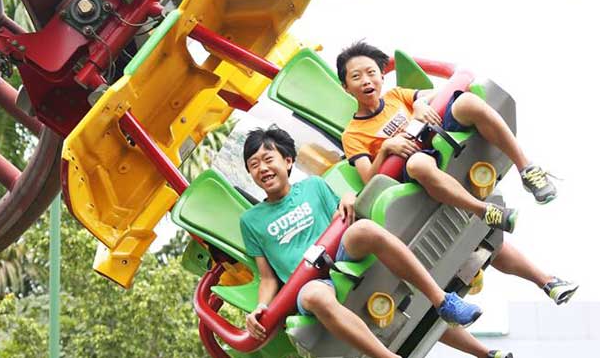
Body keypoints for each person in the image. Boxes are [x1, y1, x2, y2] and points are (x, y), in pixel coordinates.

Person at [337, 40, 577, 306]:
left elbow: (433, 97)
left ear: (382, 76)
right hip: (413, 173)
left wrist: (419, 106)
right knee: (424, 171)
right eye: (356, 77)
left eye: (371, 73)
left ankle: (528, 169)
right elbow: (369, 178)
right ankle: (485, 212)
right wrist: (385, 149)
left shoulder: (397, 97)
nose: (366, 80)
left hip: (442, 148)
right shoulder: (353, 134)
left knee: (466, 102)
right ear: (345, 87)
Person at [239, 127, 507, 358]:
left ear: (287, 161)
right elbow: (267, 277)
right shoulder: (251, 221)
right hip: (312, 283)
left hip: (340, 256)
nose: (262, 168)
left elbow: (341, 218)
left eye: (267, 159)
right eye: (253, 164)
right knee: (314, 295)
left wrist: (347, 198)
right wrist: (262, 306)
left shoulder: (313, 186)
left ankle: (443, 300)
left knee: (365, 228)